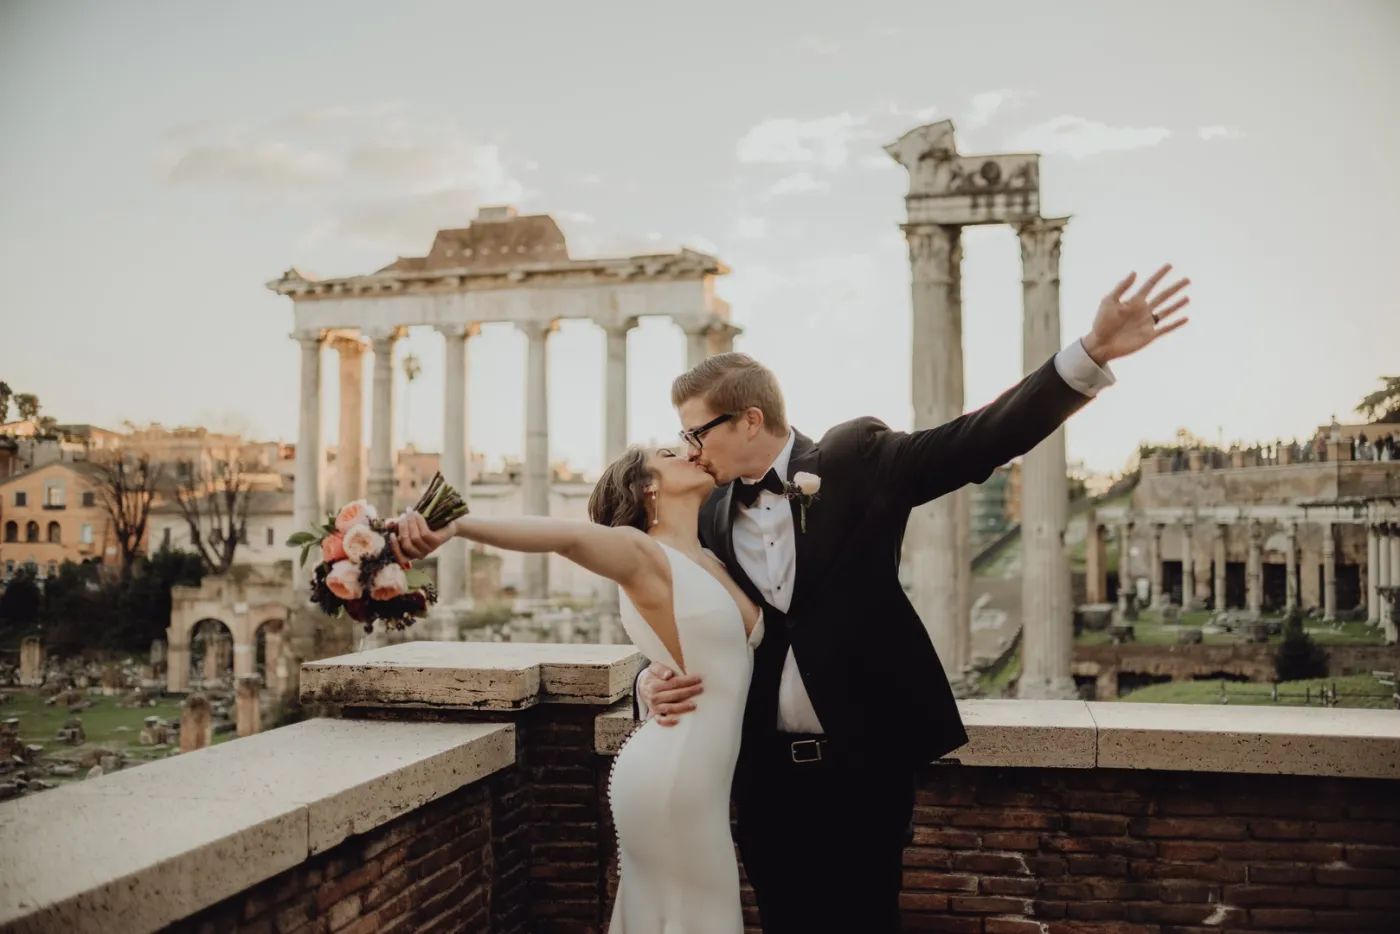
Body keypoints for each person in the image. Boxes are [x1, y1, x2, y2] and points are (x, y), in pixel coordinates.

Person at [633, 263, 1190, 932]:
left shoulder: (853, 459)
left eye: (698, 431)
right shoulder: (709, 511)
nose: (690, 450)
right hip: (761, 778)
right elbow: (671, 607)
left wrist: (1090, 355)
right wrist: (647, 682)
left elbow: (979, 439)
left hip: (862, 770)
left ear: (750, 420)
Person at [389, 445, 765, 933]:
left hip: (694, 774)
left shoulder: (712, 557)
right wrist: (458, 526)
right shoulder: (643, 551)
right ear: (647, 487)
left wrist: (651, 675)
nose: (690, 452)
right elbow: (565, 538)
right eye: (670, 453)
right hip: (675, 778)